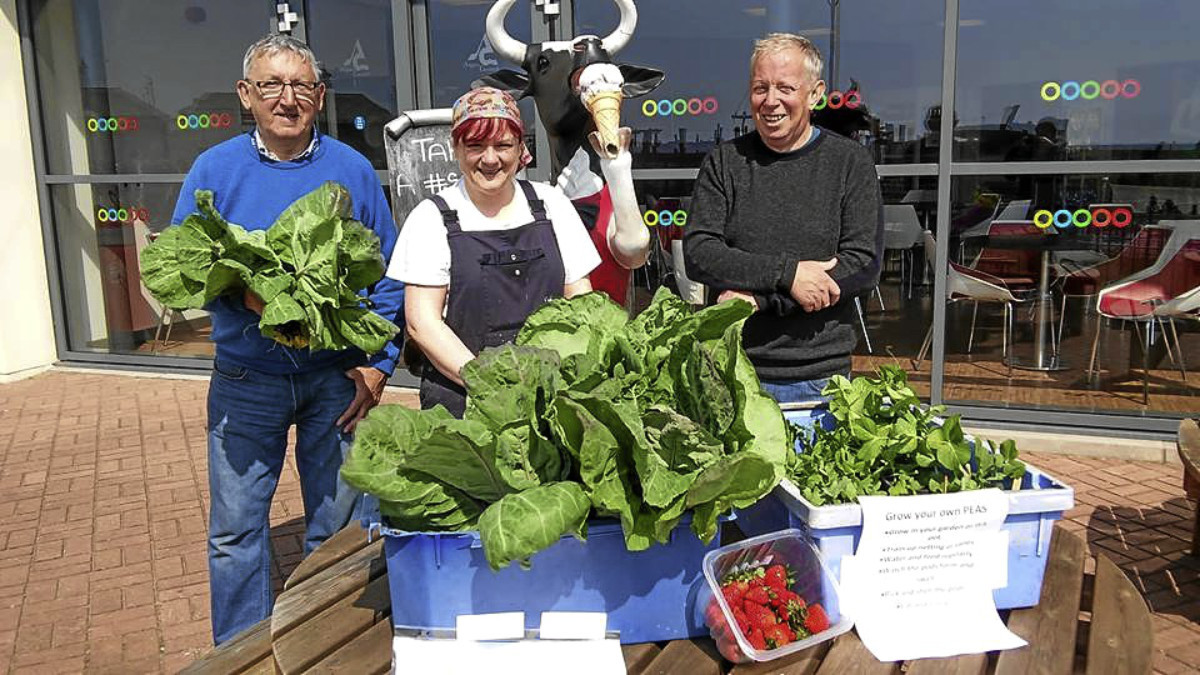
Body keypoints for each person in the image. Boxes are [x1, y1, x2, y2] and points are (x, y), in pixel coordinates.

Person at [170, 35, 404, 645]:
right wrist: (242, 293)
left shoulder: (350, 169)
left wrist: (377, 367)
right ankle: (241, 651)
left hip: (335, 380)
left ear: (320, 96)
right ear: (247, 95)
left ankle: (322, 642)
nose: (287, 98)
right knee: (236, 532)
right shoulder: (214, 170)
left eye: (301, 85)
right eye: (271, 84)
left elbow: (390, 274)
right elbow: (181, 263)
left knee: (338, 526)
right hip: (247, 380)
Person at [683, 33, 882, 403]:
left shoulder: (850, 163)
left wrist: (764, 301)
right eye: (760, 87)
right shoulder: (725, 163)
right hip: (730, 369)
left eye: (785, 87)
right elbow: (699, 252)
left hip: (816, 376)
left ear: (815, 94)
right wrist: (786, 275)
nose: (770, 101)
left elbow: (862, 264)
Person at [388, 87, 600, 417]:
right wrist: (488, 384)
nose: (490, 159)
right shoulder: (431, 218)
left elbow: (581, 302)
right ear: (456, 148)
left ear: (520, 149)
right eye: (475, 146)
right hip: (464, 396)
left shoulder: (552, 204)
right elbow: (422, 324)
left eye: (503, 145)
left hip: (552, 393)